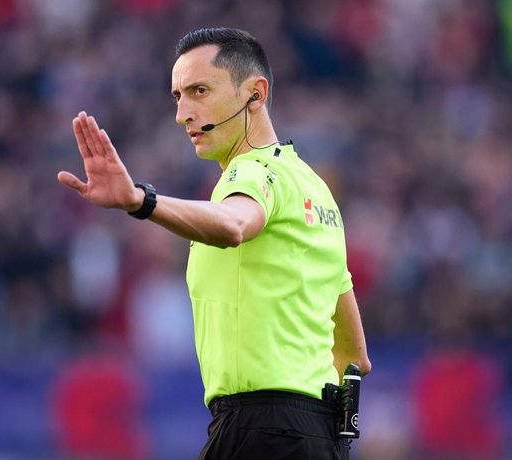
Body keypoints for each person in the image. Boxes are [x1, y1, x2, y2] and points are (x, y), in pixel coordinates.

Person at [58, 27, 371, 460]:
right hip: (314, 436)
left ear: (255, 95)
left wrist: (139, 200)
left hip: (259, 429)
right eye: (178, 96)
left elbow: (233, 225)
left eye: (199, 91)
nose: (182, 113)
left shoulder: (252, 174)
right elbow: (355, 355)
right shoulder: (316, 192)